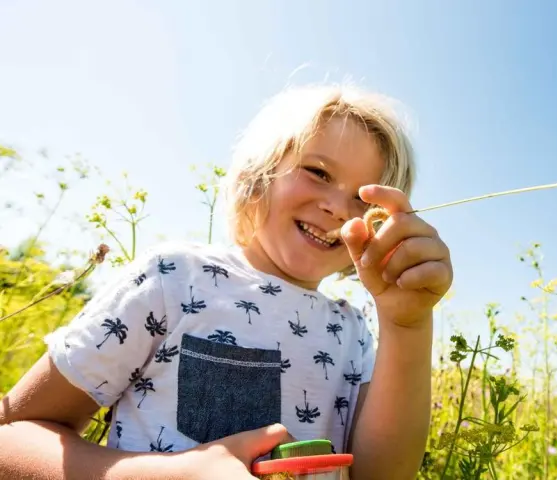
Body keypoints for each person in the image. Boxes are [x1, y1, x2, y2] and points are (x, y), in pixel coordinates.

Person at [0, 83, 453, 479]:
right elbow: (13, 436)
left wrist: (407, 326)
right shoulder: (176, 278)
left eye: (362, 199)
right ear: (258, 178)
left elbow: (380, 475)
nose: (338, 207)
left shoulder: (356, 334)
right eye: (317, 172)